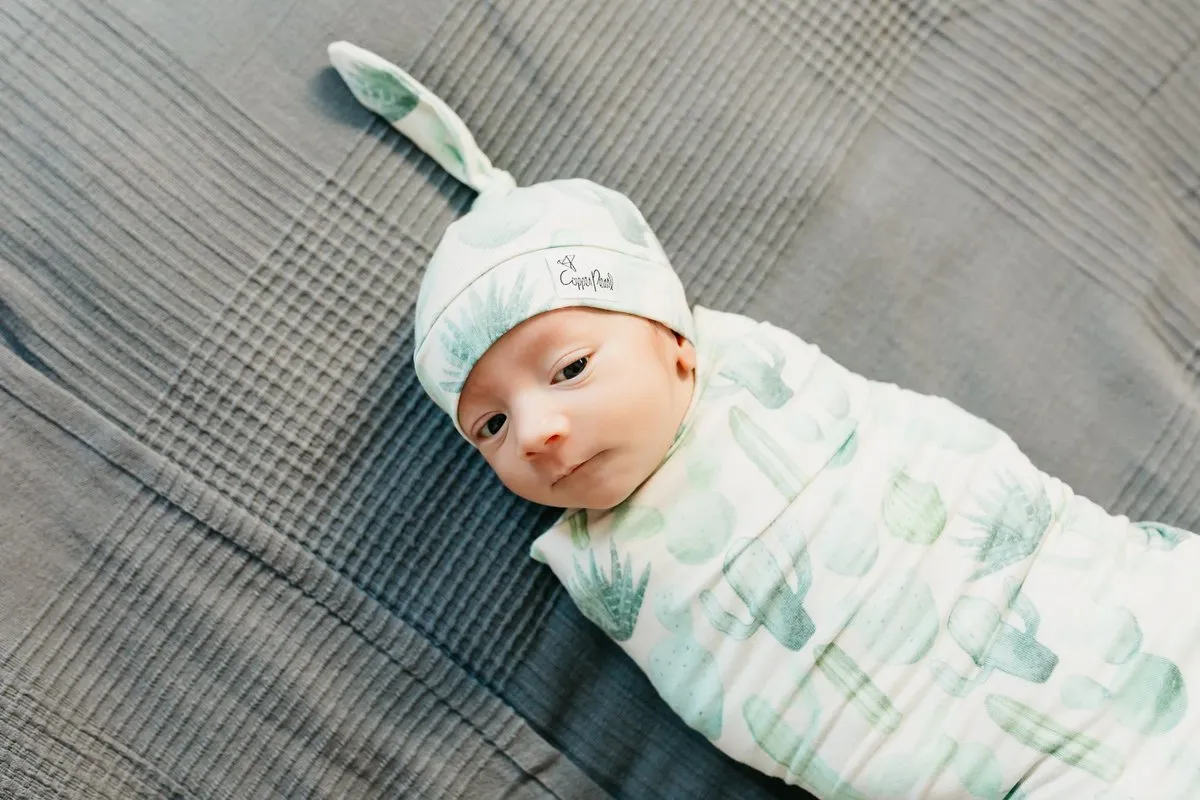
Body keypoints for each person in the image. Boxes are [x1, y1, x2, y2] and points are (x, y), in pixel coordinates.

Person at [329, 41, 1200, 799]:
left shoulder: (764, 383)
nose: (534, 431)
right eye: (487, 427)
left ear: (676, 343)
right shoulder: (600, 558)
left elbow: (942, 470)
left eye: (569, 369)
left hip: (1095, 607)